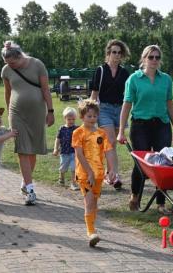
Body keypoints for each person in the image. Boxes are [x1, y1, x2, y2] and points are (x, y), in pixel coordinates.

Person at [117, 45, 173, 215]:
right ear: (144, 58)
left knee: (163, 164)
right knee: (141, 164)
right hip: (140, 126)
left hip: (161, 124)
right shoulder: (134, 79)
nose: (154, 60)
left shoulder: (166, 79)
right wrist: (121, 131)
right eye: (151, 57)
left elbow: (169, 103)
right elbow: (127, 104)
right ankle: (135, 196)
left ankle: (161, 204)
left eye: (157, 57)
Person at [1, 40, 55, 205]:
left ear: (20, 56)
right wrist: (8, 112)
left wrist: (50, 111)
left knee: (33, 150)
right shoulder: (6, 70)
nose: (12, 66)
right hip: (17, 113)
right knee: (22, 149)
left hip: (37, 113)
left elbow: (46, 89)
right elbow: (8, 92)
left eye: (13, 62)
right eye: (8, 63)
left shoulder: (37, 64)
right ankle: (30, 189)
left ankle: (25, 181)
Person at [72, 99, 115, 247]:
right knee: (89, 202)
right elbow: (79, 154)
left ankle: (93, 227)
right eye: (89, 116)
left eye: (94, 116)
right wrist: (89, 172)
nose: (92, 119)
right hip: (85, 174)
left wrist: (111, 169)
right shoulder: (78, 133)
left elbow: (108, 151)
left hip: (99, 174)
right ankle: (91, 232)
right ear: (82, 117)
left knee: (94, 203)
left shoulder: (101, 134)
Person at [90, 39, 130, 190]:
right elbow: (94, 93)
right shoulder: (100, 70)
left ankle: (109, 174)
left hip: (120, 110)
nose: (117, 55)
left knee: (111, 144)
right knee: (111, 140)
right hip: (104, 109)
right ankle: (115, 175)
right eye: (114, 52)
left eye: (119, 53)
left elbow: (128, 95)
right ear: (108, 53)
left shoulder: (125, 72)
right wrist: (90, 114)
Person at [52, 107, 79, 190]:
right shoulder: (62, 129)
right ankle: (61, 178)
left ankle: (73, 183)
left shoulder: (76, 129)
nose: (71, 121)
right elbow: (58, 139)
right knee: (63, 168)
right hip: (64, 152)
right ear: (65, 119)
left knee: (74, 168)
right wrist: (55, 149)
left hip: (74, 152)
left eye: (73, 119)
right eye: (69, 119)